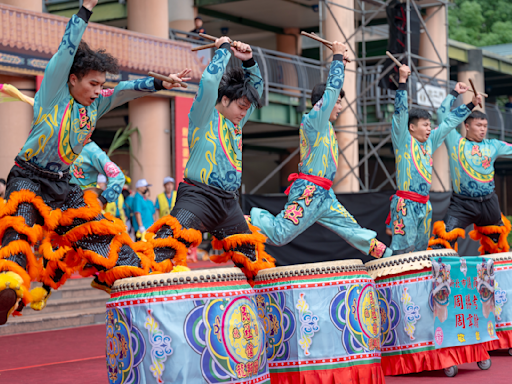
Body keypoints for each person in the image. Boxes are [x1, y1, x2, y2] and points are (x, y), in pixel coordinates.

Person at [0, 0, 190, 325]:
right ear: (72, 79)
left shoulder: (96, 102)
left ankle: (133, 278)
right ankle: (9, 290)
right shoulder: (53, 93)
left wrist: (161, 83)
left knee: (101, 233)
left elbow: (128, 89)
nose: (98, 90)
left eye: (102, 84)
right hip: (28, 177)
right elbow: (65, 48)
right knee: (19, 231)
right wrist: (85, 9)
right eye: (92, 83)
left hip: (62, 185)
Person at [147, 36, 275, 284]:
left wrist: (248, 61)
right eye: (240, 106)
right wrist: (223, 50)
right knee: (163, 250)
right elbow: (208, 81)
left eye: (246, 108)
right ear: (224, 100)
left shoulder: (236, 122)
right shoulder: (204, 114)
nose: (243, 112)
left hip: (229, 205)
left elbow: (255, 88)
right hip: (198, 198)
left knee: (253, 261)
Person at [250, 42, 391, 260]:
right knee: (279, 235)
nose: (340, 107)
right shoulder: (313, 120)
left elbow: (333, 93)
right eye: (338, 102)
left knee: (352, 231)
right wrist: (336, 60)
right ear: (325, 102)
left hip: (325, 194)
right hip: (309, 191)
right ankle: (249, 219)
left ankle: (387, 255)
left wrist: (340, 64)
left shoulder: (326, 127)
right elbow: (331, 92)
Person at [387, 67, 480, 255]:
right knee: (403, 251)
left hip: (425, 204)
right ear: (411, 127)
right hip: (406, 204)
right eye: (425, 125)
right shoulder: (403, 140)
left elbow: (448, 123)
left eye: (430, 125)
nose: (429, 128)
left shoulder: (430, 142)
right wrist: (403, 80)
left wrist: (469, 104)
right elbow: (400, 113)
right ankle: (398, 285)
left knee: (421, 250)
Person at [429, 90, 512, 254]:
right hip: (462, 203)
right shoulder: (455, 141)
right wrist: (455, 94)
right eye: (479, 125)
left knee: (496, 246)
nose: (483, 130)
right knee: (443, 241)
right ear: (466, 126)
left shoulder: (493, 145)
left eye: (485, 126)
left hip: (489, 202)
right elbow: (442, 114)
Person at [70, 140, 125, 207]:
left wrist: (102, 199)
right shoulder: (61, 145)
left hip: (84, 206)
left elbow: (118, 176)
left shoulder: (92, 150)